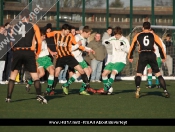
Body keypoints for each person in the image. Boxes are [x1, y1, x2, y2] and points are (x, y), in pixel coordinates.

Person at [5, 9, 47, 104]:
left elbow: (11, 42)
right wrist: (37, 53)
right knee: (35, 76)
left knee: (13, 76)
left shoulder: (15, 26)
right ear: (29, 17)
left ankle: (8, 98)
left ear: (20, 17)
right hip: (29, 52)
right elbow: (39, 41)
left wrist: (14, 50)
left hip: (18, 51)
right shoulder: (33, 26)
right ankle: (39, 95)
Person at [46, 24, 95, 95]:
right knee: (56, 72)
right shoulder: (56, 33)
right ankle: (52, 89)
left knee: (81, 70)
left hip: (69, 56)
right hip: (60, 57)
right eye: (67, 31)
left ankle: (88, 86)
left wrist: (85, 49)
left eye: (69, 31)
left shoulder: (70, 36)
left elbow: (78, 46)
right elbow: (46, 35)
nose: (68, 33)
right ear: (63, 30)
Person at [128, 22, 170, 98]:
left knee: (138, 74)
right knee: (158, 74)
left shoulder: (138, 35)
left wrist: (130, 56)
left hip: (142, 55)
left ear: (142, 28)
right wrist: (163, 56)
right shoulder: (153, 35)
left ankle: (137, 88)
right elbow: (160, 46)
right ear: (150, 28)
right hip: (151, 54)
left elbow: (132, 46)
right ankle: (165, 91)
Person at [96, 26, 130, 94]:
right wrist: (106, 42)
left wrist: (123, 47)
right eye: (115, 34)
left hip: (121, 61)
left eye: (117, 35)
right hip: (113, 60)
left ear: (120, 34)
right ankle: (109, 88)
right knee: (104, 74)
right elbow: (104, 41)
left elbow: (129, 50)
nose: (116, 36)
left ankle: (105, 88)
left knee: (113, 72)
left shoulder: (125, 40)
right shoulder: (113, 38)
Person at [25, 29, 56, 96]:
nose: (44, 37)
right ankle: (30, 82)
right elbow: (33, 52)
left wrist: (51, 52)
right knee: (42, 74)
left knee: (52, 71)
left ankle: (48, 89)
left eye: (44, 36)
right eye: (43, 36)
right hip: (39, 59)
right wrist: (36, 61)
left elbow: (46, 47)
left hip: (46, 58)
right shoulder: (35, 42)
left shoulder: (44, 41)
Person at [68, 25, 96, 95]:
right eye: (89, 34)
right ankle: (82, 89)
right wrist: (78, 45)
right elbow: (71, 48)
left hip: (80, 58)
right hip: (75, 58)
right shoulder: (77, 38)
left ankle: (67, 85)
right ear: (85, 32)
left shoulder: (84, 39)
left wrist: (89, 49)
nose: (89, 35)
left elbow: (83, 47)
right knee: (86, 71)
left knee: (86, 71)